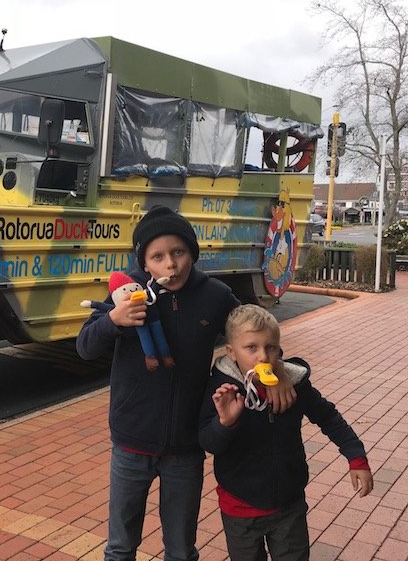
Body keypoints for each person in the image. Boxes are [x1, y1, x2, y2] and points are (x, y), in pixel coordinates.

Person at [76, 205, 296, 561]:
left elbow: (255, 335)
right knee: (120, 547)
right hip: (131, 441)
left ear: (191, 253)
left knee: (180, 549)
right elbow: (85, 347)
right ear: (144, 263)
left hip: (185, 447)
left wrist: (281, 366)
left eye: (178, 253)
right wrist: (114, 320)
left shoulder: (216, 295)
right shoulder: (128, 294)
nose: (171, 265)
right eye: (158, 256)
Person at [199, 304, 374, 561]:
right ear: (231, 352)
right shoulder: (222, 390)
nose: (262, 356)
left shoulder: (294, 385)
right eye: (251, 347)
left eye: (270, 347)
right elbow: (208, 442)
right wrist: (224, 423)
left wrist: (356, 457)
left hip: (288, 504)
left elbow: (328, 417)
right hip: (240, 507)